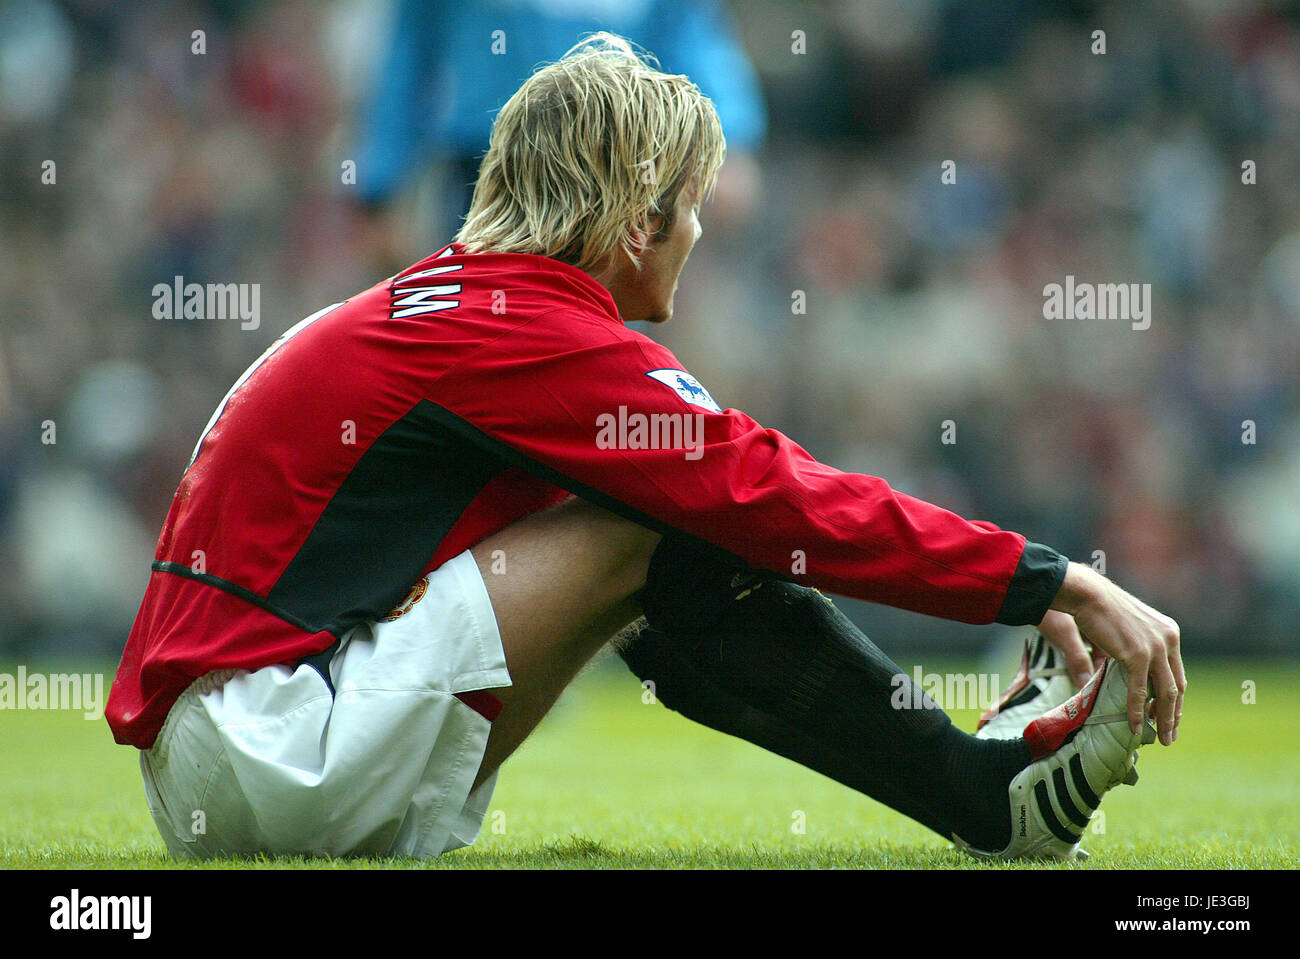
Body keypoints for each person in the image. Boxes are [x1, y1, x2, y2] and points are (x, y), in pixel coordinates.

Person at [106, 34, 1184, 862]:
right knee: (665, 518)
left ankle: (978, 791)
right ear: (634, 223)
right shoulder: (516, 325)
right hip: (269, 745)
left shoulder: (454, 306)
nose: (704, 233)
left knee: (664, 515)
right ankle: (982, 799)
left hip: (231, 748)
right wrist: (1051, 578)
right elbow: (762, 489)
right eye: (692, 208)